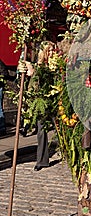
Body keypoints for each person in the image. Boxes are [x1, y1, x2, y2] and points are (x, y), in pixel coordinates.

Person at [18, 41, 58, 171]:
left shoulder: (57, 65)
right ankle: (41, 160)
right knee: (41, 131)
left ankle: (68, 154)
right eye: (50, 51)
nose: (52, 53)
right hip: (41, 103)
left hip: (55, 102)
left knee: (60, 130)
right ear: (44, 53)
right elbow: (32, 84)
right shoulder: (38, 67)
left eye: (53, 51)